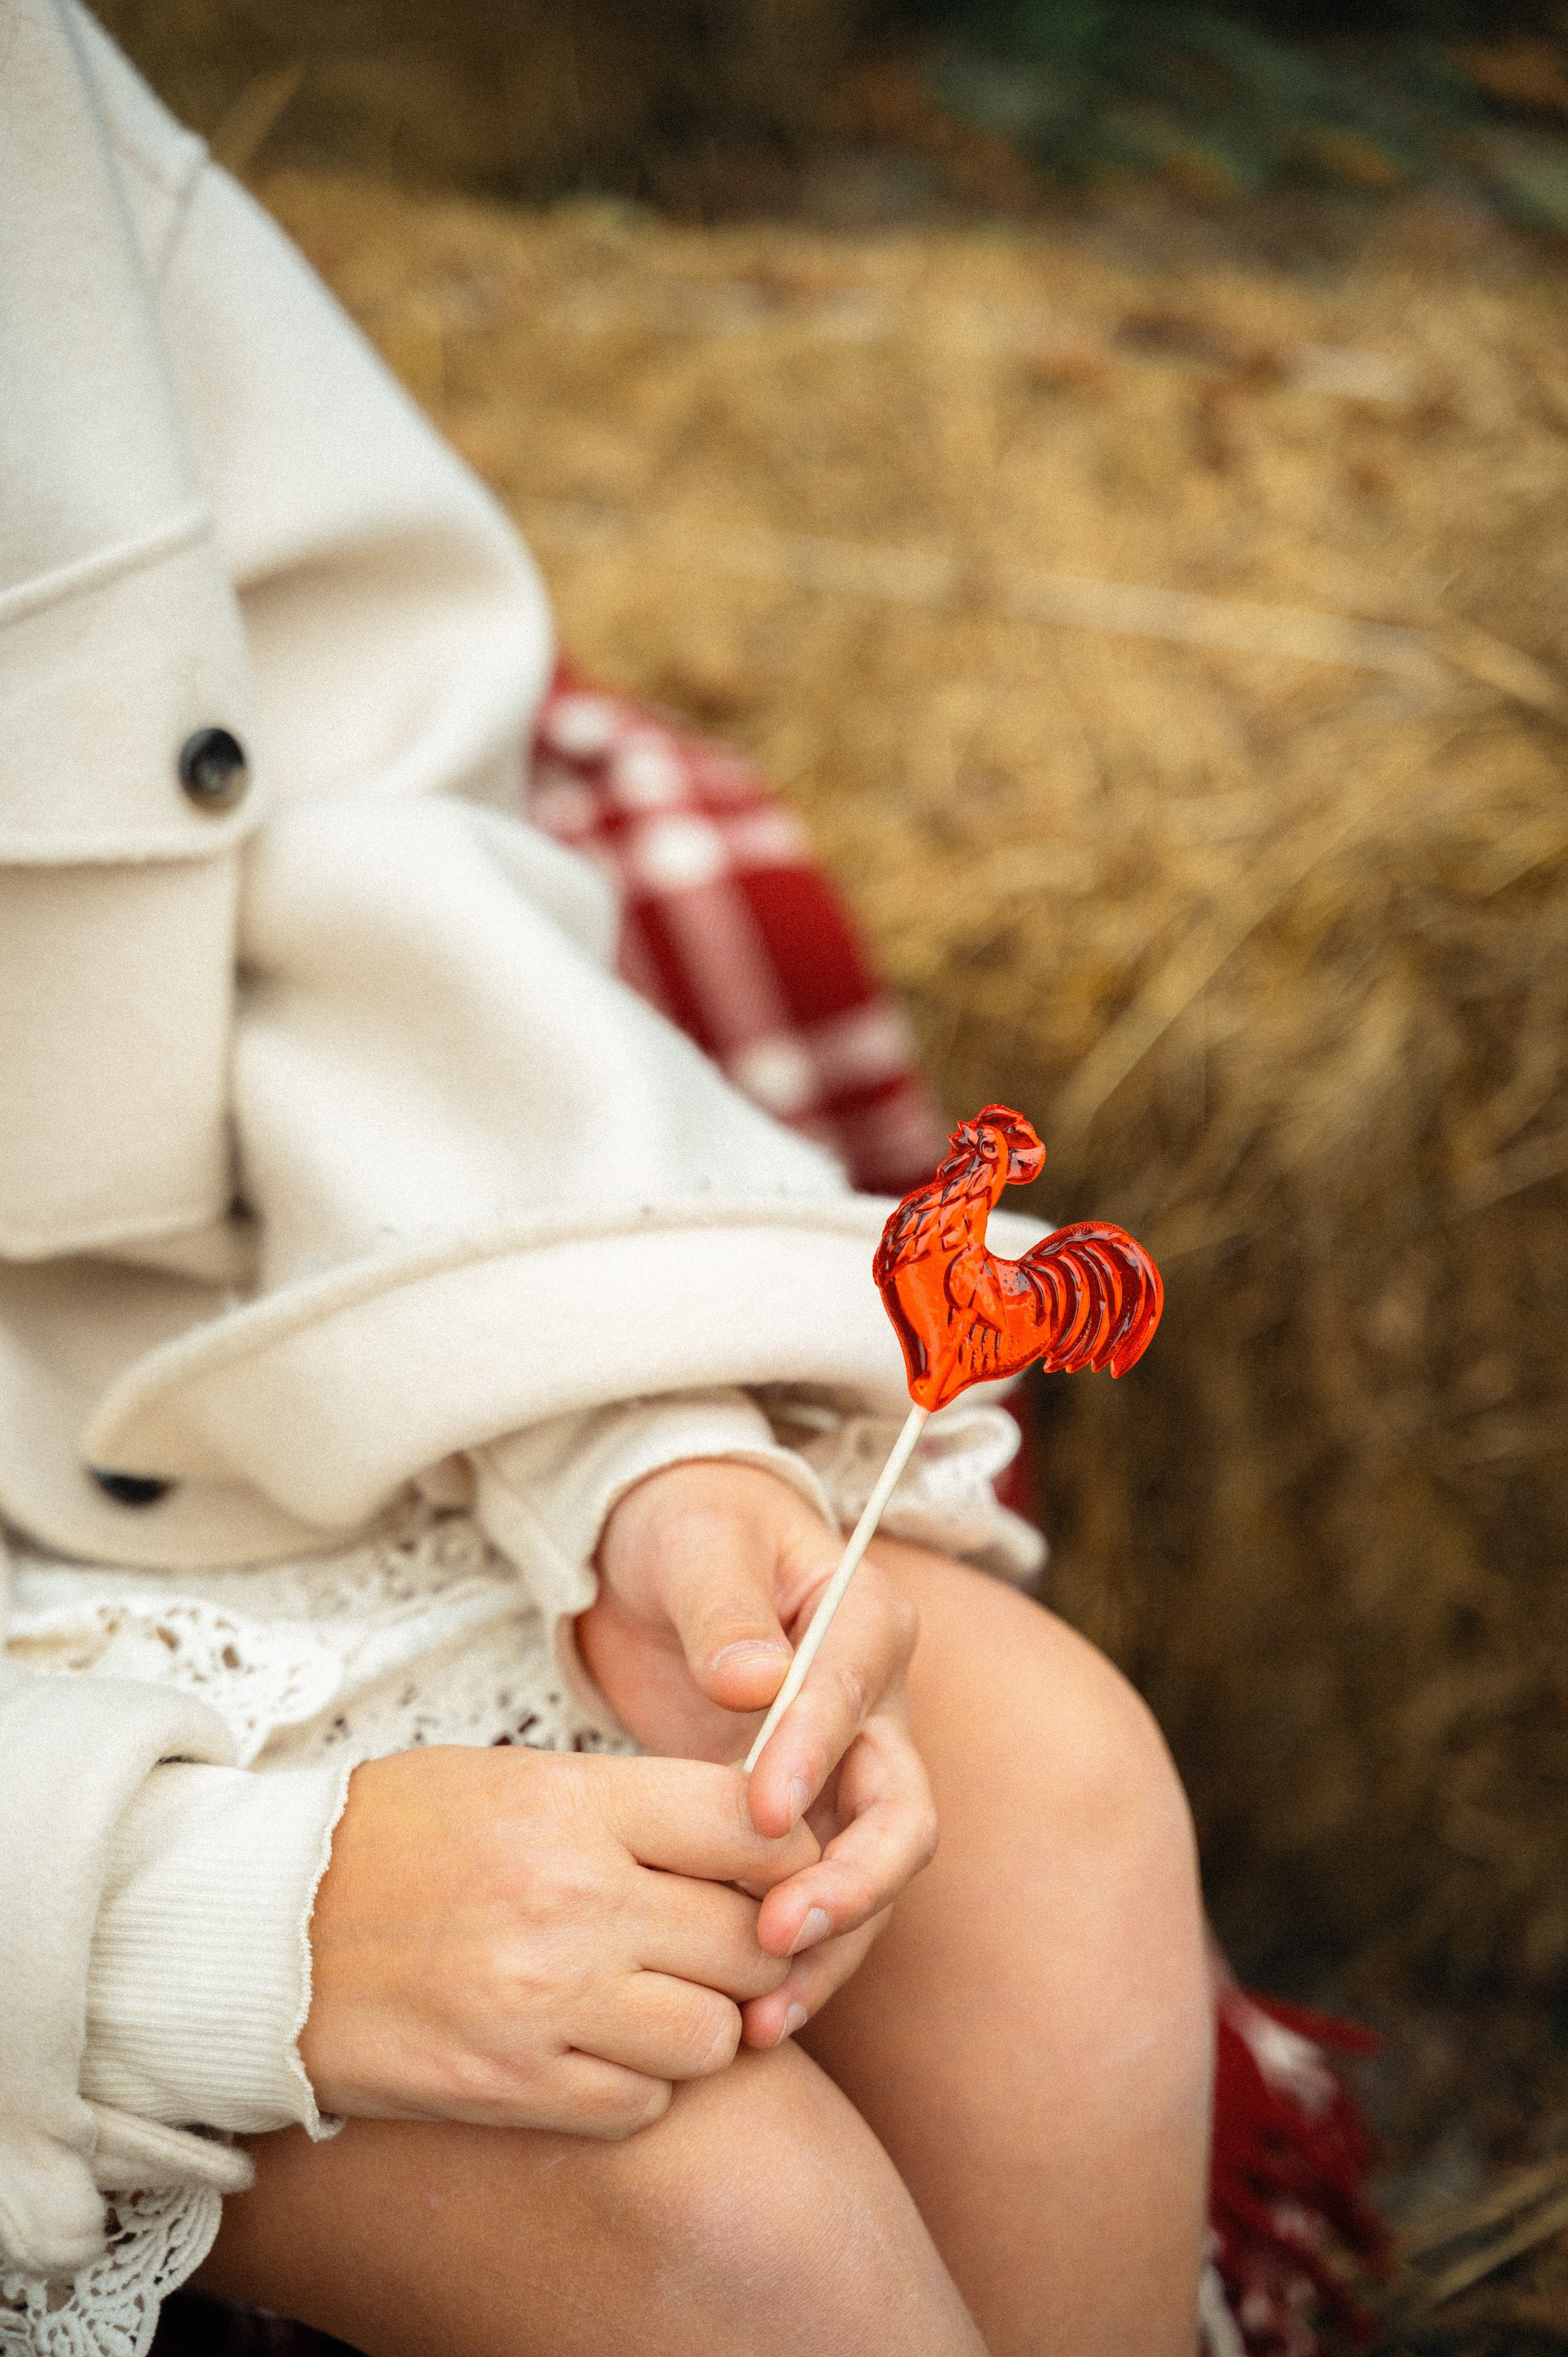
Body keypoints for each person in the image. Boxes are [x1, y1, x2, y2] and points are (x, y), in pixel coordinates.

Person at [0, 6, 1213, 2353]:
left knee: (1043, 1801)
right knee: (706, 2216)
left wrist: (622, 1436)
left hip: (131, 1396)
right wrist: (191, 1921)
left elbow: (313, 816)